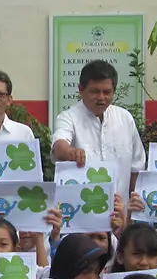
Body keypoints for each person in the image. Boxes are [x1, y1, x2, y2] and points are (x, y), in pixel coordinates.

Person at [52, 60, 146, 193]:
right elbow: (59, 146)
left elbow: (136, 168)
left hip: (120, 209)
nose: (101, 97)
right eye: (94, 92)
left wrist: (133, 209)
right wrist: (70, 152)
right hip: (82, 207)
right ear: (81, 90)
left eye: (107, 92)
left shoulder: (125, 118)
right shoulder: (68, 117)